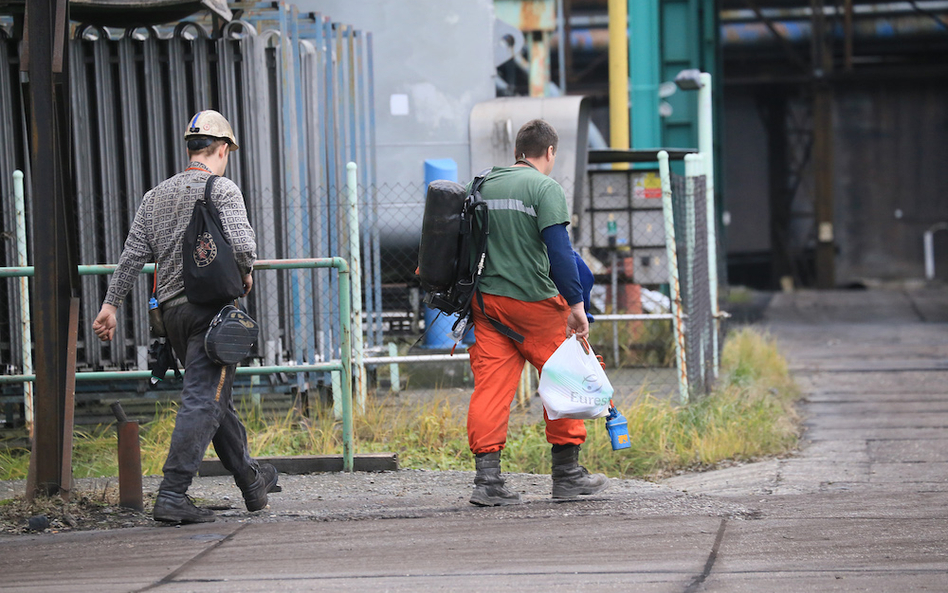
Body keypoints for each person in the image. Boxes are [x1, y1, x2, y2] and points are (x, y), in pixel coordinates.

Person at [92, 110, 280, 524]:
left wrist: (110, 305)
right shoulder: (222, 188)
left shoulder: (155, 196)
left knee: (215, 400)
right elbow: (245, 247)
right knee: (203, 400)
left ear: (190, 147)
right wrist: (246, 273)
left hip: (171, 314)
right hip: (211, 315)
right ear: (222, 148)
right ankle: (173, 494)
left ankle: (252, 481)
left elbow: (131, 259)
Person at [466, 119, 609, 506]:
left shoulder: (481, 185)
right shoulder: (545, 188)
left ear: (517, 151)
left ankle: (488, 482)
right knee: (566, 378)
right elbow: (561, 254)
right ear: (549, 152)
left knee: (491, 390)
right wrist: (577, 306)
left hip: (487, 305)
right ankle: (567, 475)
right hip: (535, 304)